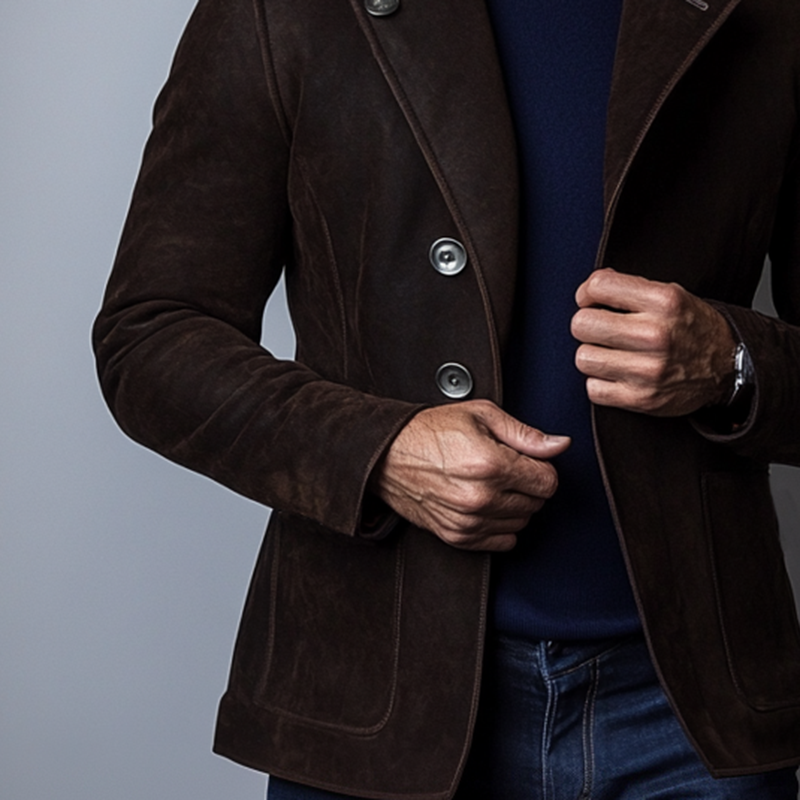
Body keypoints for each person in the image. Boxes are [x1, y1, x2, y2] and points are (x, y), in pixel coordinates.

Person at [93, 0, 800, 796]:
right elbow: (150, 335)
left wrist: (733, 363)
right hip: (377, 693)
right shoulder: (284, 11)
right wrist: (379, 452)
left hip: (692, 711)